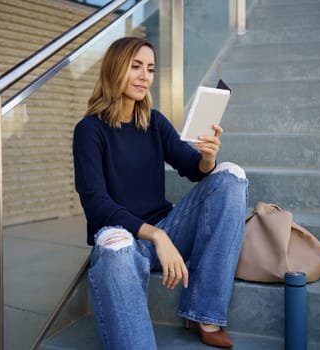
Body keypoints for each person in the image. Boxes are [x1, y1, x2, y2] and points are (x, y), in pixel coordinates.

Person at [72, 36, 248, 349]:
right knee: (114, 244)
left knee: (231, 176)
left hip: (168, 230)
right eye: (135, 66)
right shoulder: (89, 130)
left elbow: (194, 169)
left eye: (150, 69)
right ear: (115, 68)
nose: (144, 76)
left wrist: (207, 157)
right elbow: (96, 204)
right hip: (123, 239)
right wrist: (156, 235)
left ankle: (205, 312)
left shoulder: (153, 122)